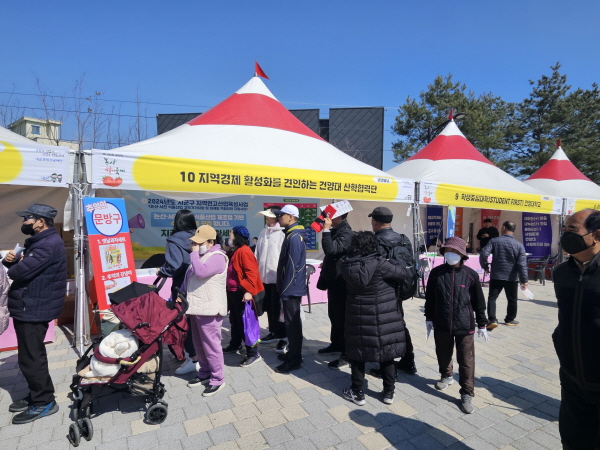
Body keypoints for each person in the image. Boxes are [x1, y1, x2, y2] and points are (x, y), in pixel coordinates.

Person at [3, 204, 67, 424]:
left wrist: (12, 265)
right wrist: (10, 260)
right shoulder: (41, 242)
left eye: (27, 218)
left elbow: (17, 272)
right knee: (31, 355)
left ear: (41, 222)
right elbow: (19, 268)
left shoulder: (47, 245)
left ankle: (44, 402)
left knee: (31, 358)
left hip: (33, 308)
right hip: (31, 305)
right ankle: (37, 394)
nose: (23, 222)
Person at [340, 231, 407, 406]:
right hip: (384, 316)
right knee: (387, 354)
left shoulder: (346, 265)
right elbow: (401, 273)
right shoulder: (380, 264)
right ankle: (388, 392)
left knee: (357, 353)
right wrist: (391, 260)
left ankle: (357, 392)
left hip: (357, 316)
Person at [552, 209, 600, 448]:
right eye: (564, 229)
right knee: (573, 442)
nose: (565, 235)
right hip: (572, 379)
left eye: (572, 229)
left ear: (597, 235)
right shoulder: (561, 273)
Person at [425, 237, 488, 414]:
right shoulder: (436, 273)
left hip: (464, 325)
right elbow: (430, 299)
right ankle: (446, 375)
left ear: (461, 254)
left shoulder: (470, 274)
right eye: (447, 251)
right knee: (443, 353)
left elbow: (479, 302)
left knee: (466, 360)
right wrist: (429, 318)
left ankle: (467, 393)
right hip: (442, 323)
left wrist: (482, 323)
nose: (450, 254)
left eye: (453, 251)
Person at [368, 206, 417, 375]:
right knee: (400, 325)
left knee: (384, 328)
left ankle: (386, 368)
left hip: (384, 292)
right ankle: (408, 360)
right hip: (402, 289)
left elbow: (375, 269)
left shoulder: (376, 241)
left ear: (375, 221)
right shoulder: (404, 239)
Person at [183, 225, 228, 397]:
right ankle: (204, 373)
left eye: (199, 243)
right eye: (194, 243)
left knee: (211, 346)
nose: (195, 245)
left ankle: (217, 378)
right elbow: (190, 276)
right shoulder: (203, 255)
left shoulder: (217, 257)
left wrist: (194, 254)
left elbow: (200, 273)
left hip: (209, 309)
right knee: (199, 344)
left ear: (210, 242)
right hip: (197, 307)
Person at [158, 209, 198, 375]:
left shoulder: (174, 240)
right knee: (197, 322)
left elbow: (174, 266)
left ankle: (191, 357)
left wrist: (161, 271)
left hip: (181, 287)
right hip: (198, 284)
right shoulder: (199, 237)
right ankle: (199, 356)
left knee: (183, 323)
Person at [316, 211, 354, 369]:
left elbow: (331, 250)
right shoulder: (337, 231)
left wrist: (325, 230)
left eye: (329, 216)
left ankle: (347, 353)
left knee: (343, 317)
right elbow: (332, 256)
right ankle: (336, 344)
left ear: (338, 217)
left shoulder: (346, 233)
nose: (325, 218)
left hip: (342, 282)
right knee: (334, 315)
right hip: (333, 280)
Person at [223, 226, 264, 367]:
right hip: (232, 292)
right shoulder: (236, 251)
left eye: (231, 235)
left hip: (242, 293)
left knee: (246, 323)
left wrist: (248, 291)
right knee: (234, 320)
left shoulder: (245, 251)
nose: (229, 237)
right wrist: (227, 251)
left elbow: (252, 274)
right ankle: (235, 344)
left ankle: (253, 353)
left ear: (238, 237)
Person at [273, 205, 307, 373]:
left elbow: (293, 267)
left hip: (291, 289)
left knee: (292, 324)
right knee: (291, 324)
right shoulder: (292, 234)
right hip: (290, 288)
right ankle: (294, 354)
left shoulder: (294, 237)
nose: (279, 218)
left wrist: (285, 290)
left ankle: (294, 359)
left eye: (281, 215)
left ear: (291, 217)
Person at [479, 220, 528, 329]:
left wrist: (486, 266)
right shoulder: (519, 245)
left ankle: (492, 319)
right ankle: (509, 319)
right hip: (512, 277)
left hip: (496, 274)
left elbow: (483, 253)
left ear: (504, 228)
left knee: (492, 298)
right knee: (512, 299)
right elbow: (522, 264)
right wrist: (524, 280)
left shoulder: (494, 241)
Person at [255, 207, 287, 353]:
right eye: (266, 217)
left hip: (277, 278)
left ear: (276, 218)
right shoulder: (263, 232)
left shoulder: (282, 234)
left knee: (278, 307)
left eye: (269, 217)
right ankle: (273, 331)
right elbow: (257, 253)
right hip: (263, 277)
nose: (267, 219)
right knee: (269, 306)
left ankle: (282, 336)